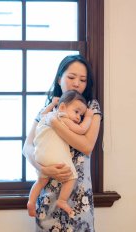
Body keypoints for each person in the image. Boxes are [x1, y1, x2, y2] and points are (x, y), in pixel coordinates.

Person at [23, 54, 102, 232]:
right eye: (71, 77)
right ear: (59, 78)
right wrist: (44, 168)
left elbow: (86, 146)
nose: (77, 83)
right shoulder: (47, 108)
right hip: (48, 194)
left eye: (83, 80)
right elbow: (27, 147)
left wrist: (56, 123)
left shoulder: (89, 108)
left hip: (78, 197)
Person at [27, 90, 94, 218]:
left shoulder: (47, 115)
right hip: (53, 155)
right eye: (76, 112)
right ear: (62, 107)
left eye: (81, 115)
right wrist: (89, 117)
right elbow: (81, 130)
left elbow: (42, 113)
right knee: (72, 177)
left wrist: (52, 104)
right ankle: (62, 200)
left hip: (40, 156)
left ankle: (31, 201)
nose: (79, 117)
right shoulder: (62, 117)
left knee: (41, 181)